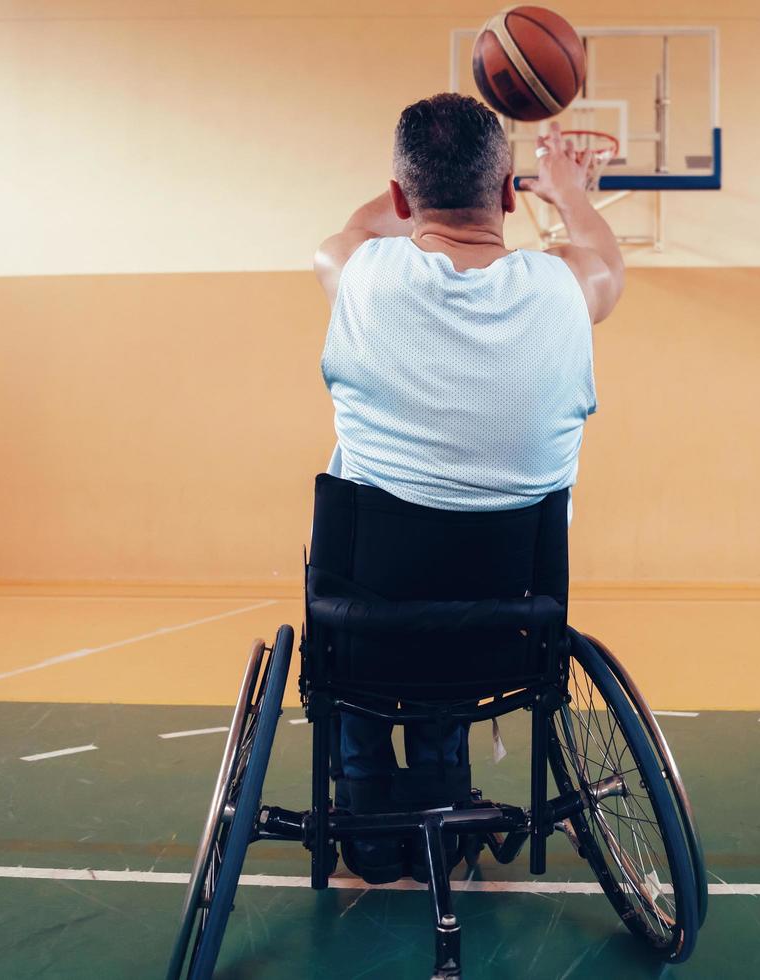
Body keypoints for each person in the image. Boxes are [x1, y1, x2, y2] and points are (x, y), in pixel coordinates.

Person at [311, 93, 625, 882]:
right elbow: (608, 265)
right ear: (510, 193)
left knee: (370, 591)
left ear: (397, 196)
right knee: (457, 599)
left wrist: (403, 203)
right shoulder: (563, 293)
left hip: (366, 625)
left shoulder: (357, 273)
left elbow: (352, 233)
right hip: (508, 629)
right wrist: (570, 188)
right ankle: (445, 812)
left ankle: (368, 821)